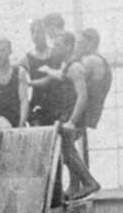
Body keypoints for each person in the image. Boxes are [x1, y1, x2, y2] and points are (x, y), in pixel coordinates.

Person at [41, 30, 102, 200]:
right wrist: (46, 71)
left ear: (68, 47)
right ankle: (75, 186)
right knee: (67, 152)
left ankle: (89, 182)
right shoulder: (68, 66)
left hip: (73, 118)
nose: (55, 49)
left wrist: (72, 122)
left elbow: (83, 96)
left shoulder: (75, 67)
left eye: (58, 46)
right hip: (66, 115)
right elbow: (60, 76)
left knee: (67, 152)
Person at [0, 37, 28, 130]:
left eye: (2, 51)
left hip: (16, 117)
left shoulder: (19, 72)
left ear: (9, 52)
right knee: (4, 125)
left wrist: (22, 123)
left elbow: (24, 100)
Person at [25, 17, 63, 127]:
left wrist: (28, 83)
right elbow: (14, 72)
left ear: (45, 33)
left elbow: (49, 80)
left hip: (55, 103)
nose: (37, 35)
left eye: (40, 32)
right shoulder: (28, 58)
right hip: (38, 103)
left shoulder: (54, 54)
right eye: (33, 32)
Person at [76, 27, 113, 133]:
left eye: (81, 43)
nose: (78, 46)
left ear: (90, 43)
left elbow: (71, 78)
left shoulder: (91, 60)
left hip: (87, 111)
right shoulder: (100, 60)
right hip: (93, 111)